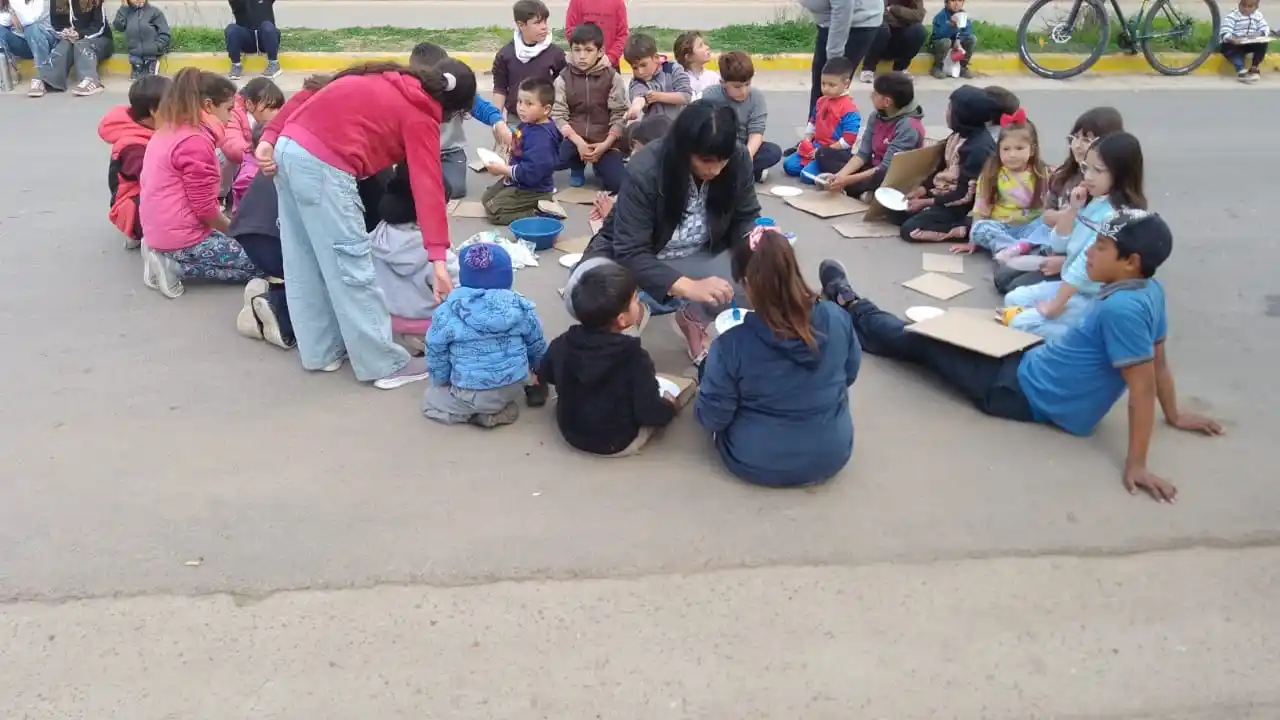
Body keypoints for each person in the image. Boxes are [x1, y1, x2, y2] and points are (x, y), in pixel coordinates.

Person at [819, 210, 1225, 505]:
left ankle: (849, 304)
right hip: (1030, 363)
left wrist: (1137, 465)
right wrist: (1174, 415)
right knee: (951, 332)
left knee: (919, 340)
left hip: (1017, 391)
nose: (1087, 254)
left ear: (1130, 262)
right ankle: (859, 314)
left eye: (1100, 248)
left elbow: (1143, 387)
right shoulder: (1149, 291)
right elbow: (1159, 361)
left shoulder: (1122, 310)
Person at [254, 60, 478, 389]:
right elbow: (427, 186)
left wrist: (270, 136)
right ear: (452, 107)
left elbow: (312, 90)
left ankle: (321, 352)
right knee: (352, 265)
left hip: (289, 149)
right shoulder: (421, 113)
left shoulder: (388, 76)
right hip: (324, 166)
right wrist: (438, 258)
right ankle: (382, 364)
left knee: (303, 259)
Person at [583, 100, 761, 362]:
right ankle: (636, 315)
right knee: (588, 289)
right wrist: (689, 287)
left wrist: (759, 239)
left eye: (722, 161)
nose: (715, 170)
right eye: (706, 161)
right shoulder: (646, 168)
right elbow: (630, 251)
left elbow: (746, 217)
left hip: (700, 252)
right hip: (638, 253)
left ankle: (693, 317)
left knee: (760, 273)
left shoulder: (738, 157)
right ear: (684, 148)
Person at [696, 227, 861, 488]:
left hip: (755, 461)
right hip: (833, 454)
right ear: (793, 270)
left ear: (747, 283)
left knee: (709, 374)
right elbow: (849, 374)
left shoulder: (731, 345)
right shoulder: (837, 317)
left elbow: (713, 418)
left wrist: (708, 365)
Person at [1004, 131, 1146, 341]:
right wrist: (1073, 209)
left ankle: (1088, 340)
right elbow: (1058, 244)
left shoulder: (1117, 215)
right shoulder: (1093, 200)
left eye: (1098, 170)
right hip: (1074, 288)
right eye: (1086, 167)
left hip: (1094, 297)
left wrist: (1055, 306)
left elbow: (1082, 266)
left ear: (1121, 173)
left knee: (1020, 322)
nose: (1088, 176)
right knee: (1013, 299)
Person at [139, 67, 258, 299]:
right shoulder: (195, 142)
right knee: (262, 264)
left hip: (161, 227)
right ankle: (175, 267)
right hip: (181, 237)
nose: (230, 118)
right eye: (228, 109)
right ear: (208, 105)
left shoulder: (171, 129)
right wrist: (235, 232)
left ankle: (161, 251)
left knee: (244, 250)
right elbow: (205, 209)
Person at [540, 259, 678, 456]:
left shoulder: (562, 343)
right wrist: (670, 407)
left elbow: (548, 373)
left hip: (570, 431)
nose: (639, 303)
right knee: (669, 402)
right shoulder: (635, 358)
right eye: (636, 300)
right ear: (622, 319)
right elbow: (648, 412)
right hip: (615, 442)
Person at [995, 106, 1123, 294]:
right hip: (1055, 244)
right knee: (1002, 278)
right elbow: (1047, 217)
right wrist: (1070, 214)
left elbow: (1093, 239)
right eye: (1075, 137)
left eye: (1087, 140)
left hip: (1080, 262)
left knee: (1014, 289)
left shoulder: (1101, 188)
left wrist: (1065, 261)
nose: (1078, 145)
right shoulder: (1065, 174)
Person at [424, 242, 548, 428]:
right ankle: (507, 402)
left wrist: (441, 381)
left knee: (430, 399)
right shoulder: (521, 308)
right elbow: (537, 345)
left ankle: (479, 416)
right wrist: (538, 372)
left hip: (470, 393)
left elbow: (436, 352)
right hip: (514, 385)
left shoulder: (447, 312)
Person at [886, 84, 995, 242]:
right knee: (895, 211)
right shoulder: (956, 136)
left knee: (910, 231)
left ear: (963, 115)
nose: (946, 113)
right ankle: (930, 215)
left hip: (958, 204)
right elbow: (941, 169)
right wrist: (922, 190)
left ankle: (967, 228)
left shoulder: (978, 149)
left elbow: (965, 195)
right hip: (941, 195)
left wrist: (926, 203)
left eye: (950, 109)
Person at [410, 42, 512, 200]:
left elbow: (480, 106)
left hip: (450, 152)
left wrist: (498, 122)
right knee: (411, 187)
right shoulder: (410, 93)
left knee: (455, 189)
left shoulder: (456, 89)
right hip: (418, 153)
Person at [950, 109, 1050, 261]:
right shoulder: (992, 173)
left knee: (1047, 223)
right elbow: (981, 208)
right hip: (1001, 227)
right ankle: (1012, 249)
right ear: (999, 150)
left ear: (1032, 150)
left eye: (1019, 148)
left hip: (1030, 227)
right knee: (980, 228)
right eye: (1006, 149)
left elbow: (1051, 206)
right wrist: (972, 242)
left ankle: (1022, 247)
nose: (1012, 154)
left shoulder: (1042, 173)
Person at [553, 22, 627, 193]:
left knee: (618, 184)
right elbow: (558, 114)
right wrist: (578, 142)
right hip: (574, 138)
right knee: (550, 162)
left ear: (600, 52)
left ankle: (600, 165)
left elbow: (619, 115)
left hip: (604, 140)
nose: (582, 56)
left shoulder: (613, 78)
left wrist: (605, 145)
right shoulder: (563, 78)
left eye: (588, 50)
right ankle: (577, 164)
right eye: (577, 50)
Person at [824, 70, 923, 198]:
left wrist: (847, 180)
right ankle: (858, 190)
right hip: (872, 166)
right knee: (824, 154)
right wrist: (840, 176)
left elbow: (886, 168)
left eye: (875, 94)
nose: (871, 96)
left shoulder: (908, 127)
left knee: (878, 177)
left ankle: (864, 191)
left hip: (890, 175)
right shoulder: (876, 115)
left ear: (887, 102)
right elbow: (863, 154)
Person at [98, 73, 169, 249]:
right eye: (174, 105)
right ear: (154, 111)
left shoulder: (150, 127)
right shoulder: (132, 147)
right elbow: (156, 180)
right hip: (132, 208)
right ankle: (150, 241)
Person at [481, 76, 562, 225]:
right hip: (518, 180)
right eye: (519, 101)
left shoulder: (542, 138)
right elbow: (518, 146)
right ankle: (532, 204)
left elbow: (531, 172)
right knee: (486, 199)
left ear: (546, 109)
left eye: (529, 104)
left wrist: (503, 170)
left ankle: (539, 212)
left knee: (495, 213)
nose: (521, 108)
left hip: (533, 188)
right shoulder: (528, 124)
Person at [700, 51, 781, 182]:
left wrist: (746, 158)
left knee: (773, 152)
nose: (743, 91)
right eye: (737, 87)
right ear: (723, 82)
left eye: (747, 84)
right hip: (719, 147)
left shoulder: (756, 97)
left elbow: (756, 132)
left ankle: (731, 173)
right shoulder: (710, 95)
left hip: (744, 147)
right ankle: (744, 173)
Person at [800, 0, 885, 115]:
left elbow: (843, 10)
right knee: (821, 87)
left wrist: (834, 59)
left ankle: (836, 124)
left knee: (832, 87)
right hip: (830, 23)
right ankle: (815, 124)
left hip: (855, 25)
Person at [783, 56, 860, 183]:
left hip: (833, 152)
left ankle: (831, 173)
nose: (826, 88)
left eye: (832, 85)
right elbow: (812, 122)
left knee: (805, 175)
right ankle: (813, 166)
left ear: (846, 84)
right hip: (816, 146)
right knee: (789, 166)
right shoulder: (821, 101)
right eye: (823, 84)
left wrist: (822, 151)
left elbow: (847, 141)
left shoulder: (850, 110)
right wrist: (807, 140)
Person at [491, 0, 566, 123]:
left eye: (545, 21)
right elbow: (500, 88)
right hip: (515, 120)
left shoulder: (556, 54)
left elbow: (562, 89)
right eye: (537, 23)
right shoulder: (506, 54)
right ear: (521, 25)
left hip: (545, 121)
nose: (544, 27)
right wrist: (496, 120)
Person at [222, 76, 283, 209]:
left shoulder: (274, 120)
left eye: (279, 108)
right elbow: (232, 146)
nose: (276, 113)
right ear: (250, 104)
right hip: (241, 169)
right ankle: (221, 197)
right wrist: (258, 153)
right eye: (270, 108)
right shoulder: (233, 114)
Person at [39, 0, 112, 97]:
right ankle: (47, 79)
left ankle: (91, 79)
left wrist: (80, 34)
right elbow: (55, 25)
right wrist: (64, 32)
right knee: (64, 45)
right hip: (73, 39)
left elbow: (99, 26)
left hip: (98, 38)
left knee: (81, 45)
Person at [624, 32, 692, 121]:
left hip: (678, 125)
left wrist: (658, 96)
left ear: (656, 58)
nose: (640, 72)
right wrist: (635, 108)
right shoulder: (637, 81)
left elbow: (686, 96)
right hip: (653, 127)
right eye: (635, 68)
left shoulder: (673, 68)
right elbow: (639, 96)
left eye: (643, 65)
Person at [1, 0, 57, 96]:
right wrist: (11, 13)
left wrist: (13, 9)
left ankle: (42, 76)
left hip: (44, 40)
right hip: (24, 44)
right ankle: (11, 72)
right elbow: (3, 21)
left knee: (31, 28)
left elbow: (31, 18)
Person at [861, 0, 926, 82]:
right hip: (880, 39)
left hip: (899, 40)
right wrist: (905, 19)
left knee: (918, 30)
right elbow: (880, 13)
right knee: (881, 27)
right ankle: (868, 69)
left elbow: (919, 16)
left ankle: (900, 69)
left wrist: (894, 9)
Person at [112, 0, 168, 79]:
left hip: (152, 51)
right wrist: (123, 8)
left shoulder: (154, 12)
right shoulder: (126, 12)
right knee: (136, 76)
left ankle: (151, 64)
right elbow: (119, 27)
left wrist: (158, 46)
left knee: (149, 79)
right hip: (134, 51)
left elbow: (164, 33)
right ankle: (137, 66)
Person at [225, 0, 280, 80]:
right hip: (248, 41)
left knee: (267, 26)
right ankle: (236, 65)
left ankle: (274, 64)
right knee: (231, 29)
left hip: (266, 40)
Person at [564, 0, 627, 69]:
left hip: (609, 65)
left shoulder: (618, 2)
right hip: (581, 65)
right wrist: (582, 54)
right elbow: (570, 31)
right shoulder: (577, 2)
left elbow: (622, 35)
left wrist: (610, 58)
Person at [1220, 0, 1269, 83]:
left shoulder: (1258, 16)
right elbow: (1225, 31)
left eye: (1250, 7)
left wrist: (1259, 33)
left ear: (1256, 7)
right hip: (1234, 43)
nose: (1246, 9)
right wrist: (1232, 39)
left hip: (1249, 42)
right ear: (1239, 4)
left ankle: (1254, 67)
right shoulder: (1233, 16)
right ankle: (1241, 70)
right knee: (1229, 48)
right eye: (1243, 5)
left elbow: (1265, 28)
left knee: (1263, 43)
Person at [930, 0, 976, 79]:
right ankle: (937, 67)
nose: (956, 3)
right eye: (953, 0)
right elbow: (939, 35)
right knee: (946, 42)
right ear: (946, 3)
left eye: (960, 1)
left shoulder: (963, 15)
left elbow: (968, 32)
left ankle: (962, 67)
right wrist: (951, 26)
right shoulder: (941, 16)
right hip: (940, 44)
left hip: (957, 44)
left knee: (972, 39)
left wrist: (959, 40)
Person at [673, 30, 718, 100]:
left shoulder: (713, 77)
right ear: (688, 57)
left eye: (705, 44)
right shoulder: (679, 80)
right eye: (700, 46)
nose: (707, 47)